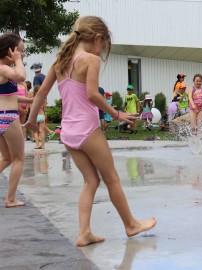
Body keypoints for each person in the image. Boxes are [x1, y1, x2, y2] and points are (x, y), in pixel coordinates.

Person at [24, 16, 156, 246]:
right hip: (88, 129)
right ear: (97, 38)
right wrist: (117, 114)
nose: (101, 50)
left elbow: (41, 93)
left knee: (90, 181)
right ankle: (131, 224)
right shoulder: (89, 60)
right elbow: (93, 94)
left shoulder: (60, 61)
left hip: (69, 134)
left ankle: (84, 232)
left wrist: (31, 119)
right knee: (112, 178)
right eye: (103, 45)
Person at [0, 33, 31, 207]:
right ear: (10, 52)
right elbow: (21, 77)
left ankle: (11, 198)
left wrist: (30, 100)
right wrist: (18, 61)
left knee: (7, 158)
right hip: (8, 117)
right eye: (20, 51)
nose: (23, 54)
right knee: (19, 158)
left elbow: (9, 96)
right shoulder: (4, 68)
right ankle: (10, 199)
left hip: (1, 115)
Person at [33, 85, 47, 149]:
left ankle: (37, 145)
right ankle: (43, 145)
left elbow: (32, 108)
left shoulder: (33, 98)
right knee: (42, 131)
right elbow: (44, 108)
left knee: (35, 131)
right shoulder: (43, 98)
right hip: (41, 115)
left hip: (35, 115)